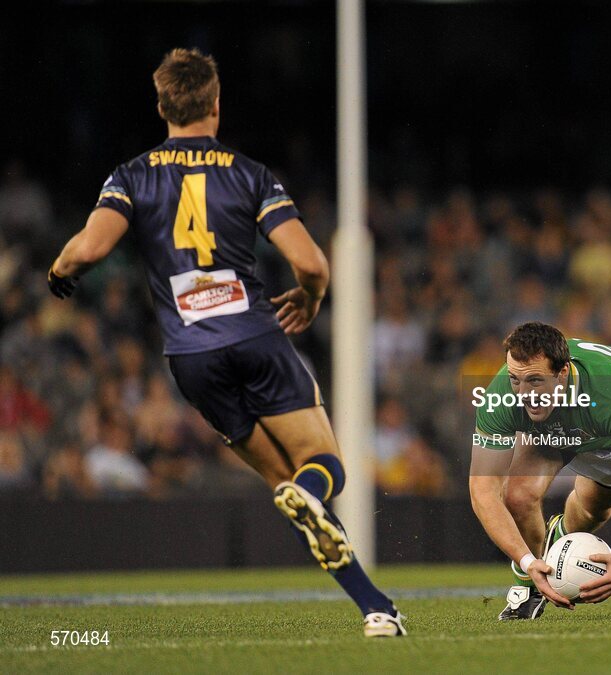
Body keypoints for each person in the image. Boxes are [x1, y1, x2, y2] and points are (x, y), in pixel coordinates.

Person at [47, 48, 406, 637]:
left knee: (284, 486)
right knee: (323, 468)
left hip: (190, 358)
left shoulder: (131, 175)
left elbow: (87, 250)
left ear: (162, 106)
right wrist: (311, 299)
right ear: (216, 105)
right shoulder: (249, 174)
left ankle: (376, 608)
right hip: (255, 335)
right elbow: (311, 262)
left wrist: (59, 272)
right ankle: (340, 545)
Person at [470, 322, 611, 620]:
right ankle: (528, 588)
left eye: (536, 381)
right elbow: (482, 490)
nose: (524, 394)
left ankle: (560, 534)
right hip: (549, 431)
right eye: (515, 380)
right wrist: (527, 562)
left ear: (562, 373)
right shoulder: (501, 397)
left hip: (605, 439)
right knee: (517, 496)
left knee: (592, 514)